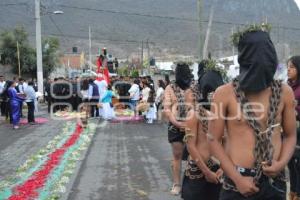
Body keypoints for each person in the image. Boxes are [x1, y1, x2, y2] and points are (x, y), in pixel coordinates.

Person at [208, 28, 296, 200]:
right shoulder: (224, 94)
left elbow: (291, 135)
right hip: (236, 183)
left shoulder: (285, 93)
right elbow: (213, 139)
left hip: (273, 183)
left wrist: (281, 164)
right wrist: (238, 179)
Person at [181, 60, 224, 200]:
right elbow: (191, 146)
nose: (212, 95)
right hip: (198, 173)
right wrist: (206, 172)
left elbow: (230, 144)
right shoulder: (194, 114)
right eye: (209, 90)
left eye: (215, 91)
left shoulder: (224, 115)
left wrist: (223, 169)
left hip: (219, 172)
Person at [163, 62, 193, 195]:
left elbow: (197, 106)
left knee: (193, 155)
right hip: (175, 126)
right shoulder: (170, 88)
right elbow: (167, 109)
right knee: (177, 155)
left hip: (192, 126)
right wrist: (177, 123)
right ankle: (176, 184)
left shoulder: (193, 86)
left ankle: (191, 183)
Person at [287, 56, 300, 200]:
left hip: (299, 131)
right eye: (288, 67)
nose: (289, 69)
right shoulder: (288, 86)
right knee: (290, 164)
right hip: (288, 131)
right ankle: (293, 194)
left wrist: (293, 107)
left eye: (292, 67)